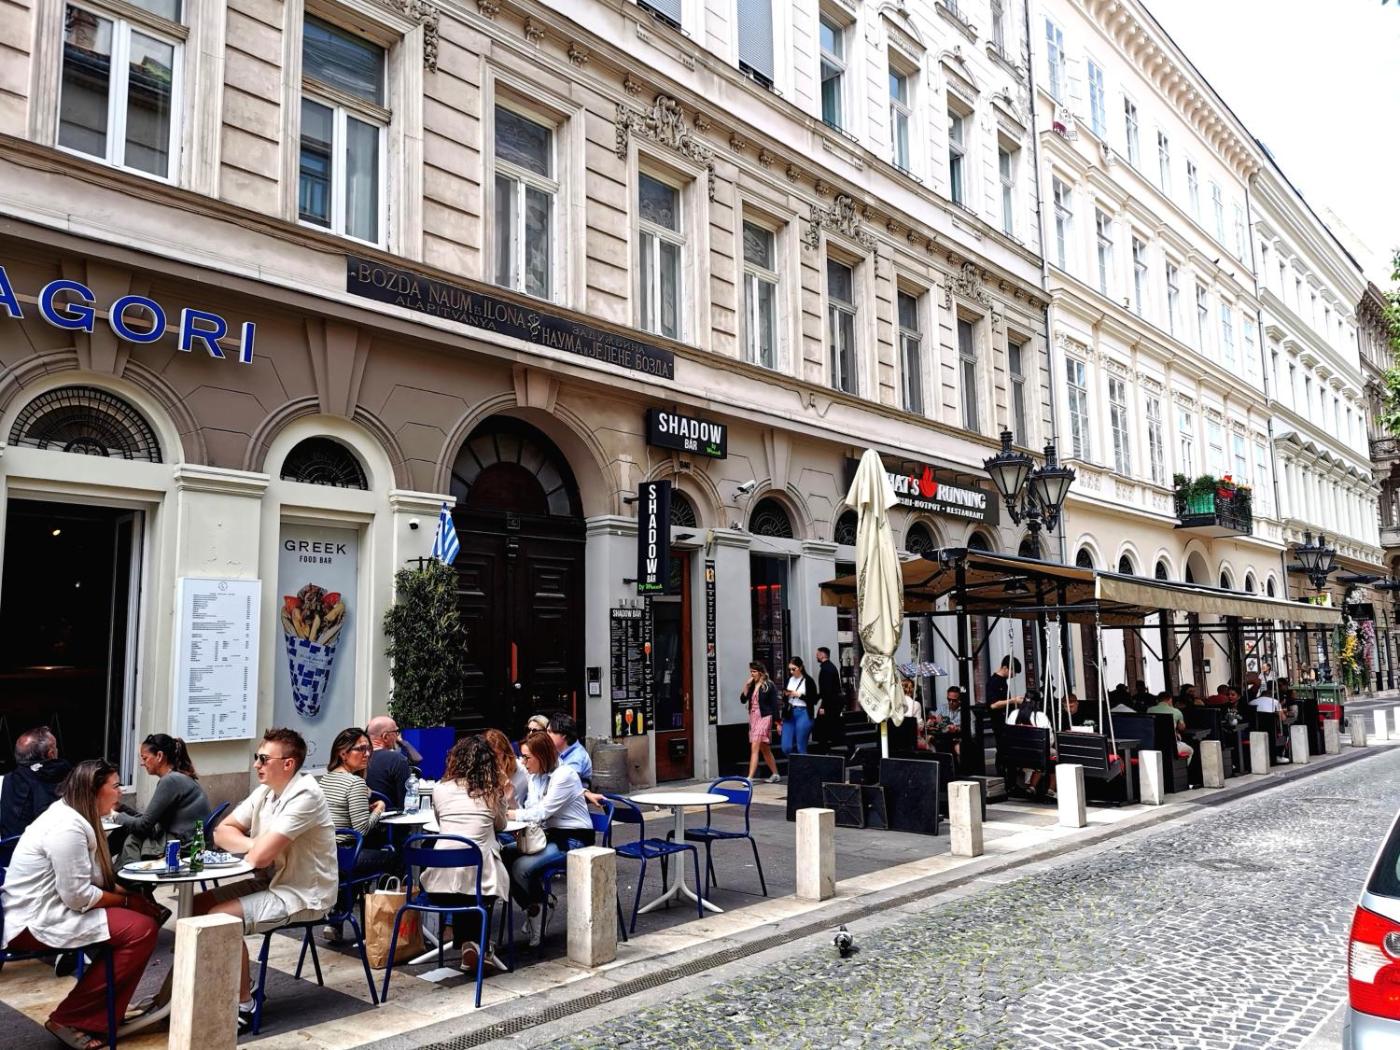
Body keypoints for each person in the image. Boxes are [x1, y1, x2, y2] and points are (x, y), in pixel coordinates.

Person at [2, 760, 162, 1050]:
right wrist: (126, 900)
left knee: (145, 915)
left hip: (58, 907)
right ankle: (71, 1018)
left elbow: (97, 880)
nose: (120, 793)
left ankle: (104, 1013)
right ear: (94, 791)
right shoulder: (66, 828)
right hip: (35, 919)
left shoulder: (77, 816)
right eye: (115, 786)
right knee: (140, 930)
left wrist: (133, 897)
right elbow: (79, 897)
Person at [194, 727, 338, 1034]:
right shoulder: (266, 792)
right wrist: (255, 845)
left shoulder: (305, 795)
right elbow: (221, 832)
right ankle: (209, 989)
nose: (256, 764)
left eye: (263, 759)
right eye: (256, 757)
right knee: (196, 907)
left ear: (288, 764)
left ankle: (244, 1003)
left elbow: (259, 859)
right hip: (271, 881)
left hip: (303, 893)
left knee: (219, 918)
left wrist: (256, 850)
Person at [424, 735, 510, 973]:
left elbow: (441, 822)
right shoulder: (491, 792)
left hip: (438, 885)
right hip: (479, 887)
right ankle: (479, 945)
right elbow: (501, 825)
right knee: (481, 873)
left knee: (464, 872)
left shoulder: (439, 789)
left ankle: (469, 945)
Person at [504, 731, 594, 947]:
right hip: (550, 835)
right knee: (502, 854)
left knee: (521, 868)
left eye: (527, 757)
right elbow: (530, 808)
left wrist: (512, 814)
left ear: (542, 756)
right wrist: (512, 803)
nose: (523, 762)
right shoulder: (537, 776)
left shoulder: (564, 775)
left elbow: (542, 811)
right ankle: (536, 905)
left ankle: (538, 909)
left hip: (573, 839)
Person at [111, 733, 211, 865]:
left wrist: (115, 816)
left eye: (145, 758)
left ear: (159, 756)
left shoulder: (170, 781)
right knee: (129, 828)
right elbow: (149, 820)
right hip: (188, 840)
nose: (142, 763)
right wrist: (121, 808)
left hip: (185, 847)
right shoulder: (178, 777)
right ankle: (109, 869)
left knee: (133, 837)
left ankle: (124, 876)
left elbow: (144, 826)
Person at [319, 727, 393, 876]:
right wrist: (380, 808)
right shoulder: (355, 783)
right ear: (343, 753)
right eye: (360, 749)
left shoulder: (326, 778)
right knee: (396, 856)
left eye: (368, 749)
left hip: (324, 854)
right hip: (345, 855)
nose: (367, 754)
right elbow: (362, 830)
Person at [1, 726, 71, 839]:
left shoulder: (6, 779)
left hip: (8, 846)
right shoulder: (63, 774)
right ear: (51, 754)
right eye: (56, 747)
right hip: (48, 845)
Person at [741, 662, 781, 783]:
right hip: (753, 717)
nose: (752, 674)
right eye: (751, 671)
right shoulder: (752, 685)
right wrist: (746, 685)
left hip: (764, 717)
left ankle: (750, 777)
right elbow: (743, 699)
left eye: (754, 671)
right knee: (764, 749)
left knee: (755, 746)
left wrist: (778, 723)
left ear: (760, 672)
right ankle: (775, 774)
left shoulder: (769, 685)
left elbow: (775, 705)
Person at [985, 655, 1023, 777]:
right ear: (1006, 668)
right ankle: (1003, 775)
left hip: (1006, 721)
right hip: (999, 722)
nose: (1013, 675)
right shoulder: (994, 682)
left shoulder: (1003, 681)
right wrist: (1013, 700)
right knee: (1003, 749)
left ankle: (1009, 776)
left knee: (1008, 749)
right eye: (1013, 672)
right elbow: (993, 705)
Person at [365, 715, 411, 809]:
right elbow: (405, 803)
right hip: (389, 816)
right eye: (396, 732)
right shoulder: (397, 760)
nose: (397, 736)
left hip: (360, 815)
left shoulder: (357, 759)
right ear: (385, 736)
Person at [780, 657, 819, 757]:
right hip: (790, 713)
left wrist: (799, 695)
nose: (791, 672)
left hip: (804, 713)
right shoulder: (789, 680)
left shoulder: (808, 681)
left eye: (794, 669)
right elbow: (785, 699)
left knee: (800, 746)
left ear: (800, 667)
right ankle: (796, 763)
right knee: (786, 747)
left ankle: (802, 765)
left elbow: (814, 700)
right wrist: (785, 695)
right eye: (790, 669)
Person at [812, 646, 845, 752]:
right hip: (833, 703)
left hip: (830, 704)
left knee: (824, 729)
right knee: (830, 728)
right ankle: (826, 750)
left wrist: (823, 706)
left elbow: (827, 690)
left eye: (817, 654)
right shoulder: (830, 667)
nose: (816, 656)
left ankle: (824, 751)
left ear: (822, 655)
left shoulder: (826, 669)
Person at [483, 728, 528, 806]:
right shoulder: (481, 772)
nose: (493, 760)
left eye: (497, 754)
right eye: (489, 755)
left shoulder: (523, 771)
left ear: (506, 752)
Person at [1146, 691, 1193, 761]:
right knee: (1190, 750)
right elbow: (1182, 728)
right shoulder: (1176, 711)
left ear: (1157, 700)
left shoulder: (1149, 710)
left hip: (1153, 744)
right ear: (1170, 700)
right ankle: (1183, 767)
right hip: (1171, 746)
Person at [547, 713, 592, 788]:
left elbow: (562, 784)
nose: (546, 735)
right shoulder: (560, 751)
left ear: (563, 735)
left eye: (550, 732)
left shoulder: (577, 756)